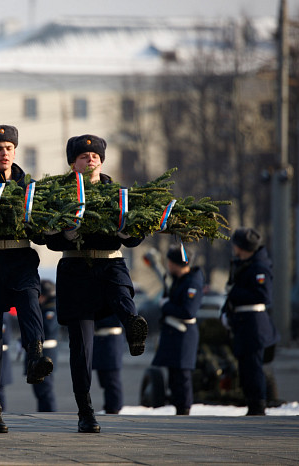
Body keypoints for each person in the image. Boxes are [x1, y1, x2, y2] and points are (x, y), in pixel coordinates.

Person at [45, 134, 148, 433]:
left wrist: (128, 233)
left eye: (94, 155)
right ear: (72, 162)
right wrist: (65, 234)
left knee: (121, 292)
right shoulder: (59, 195)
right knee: (81, 348)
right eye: (82, 156)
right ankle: (85, 410)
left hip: (109, 259)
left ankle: (133, 327)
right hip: (76, 266)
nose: (90, 159)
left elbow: (138, 233)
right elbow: (47, 238)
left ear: (102, 160)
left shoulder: (119, 193)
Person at [0, 124, 53, 433]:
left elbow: (43, 230)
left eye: (9, 148)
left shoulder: (29, 187)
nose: (5, 153)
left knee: (30, 301)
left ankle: (36, 355)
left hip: (19, 259)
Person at [221, 227, 279, 416]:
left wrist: (234, 292)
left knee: (253, 368)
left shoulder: (258, 267)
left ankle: (258, 406)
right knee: (245, 368)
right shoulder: (243, 264)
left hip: (254, 324)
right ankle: (252, 404)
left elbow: (263, 295)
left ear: (242, 247)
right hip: (243, 323)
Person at [151, 246, 203, 415]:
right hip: (174, 334)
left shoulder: (191, 282)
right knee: (174, 376)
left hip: (183, 335)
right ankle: (179, 407)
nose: (168, 266)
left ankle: (184, 409)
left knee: (182, 376)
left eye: (170, 262)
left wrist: (167, 305)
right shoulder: (179, 280)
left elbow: (188, 311)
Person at [25, 280, 59, 412]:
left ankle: (49, 412)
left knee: (45, 388)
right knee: (39, 389)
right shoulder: (44, 308)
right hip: (41, 350)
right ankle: (43, 411)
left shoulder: (50, 309)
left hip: (47, 351)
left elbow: (48, 328)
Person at [92, 315, 125, 414]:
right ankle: (109, 406)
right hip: (100, 339)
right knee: (104, 379)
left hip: (111, 340)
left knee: (112, 378)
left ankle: (114, 407)